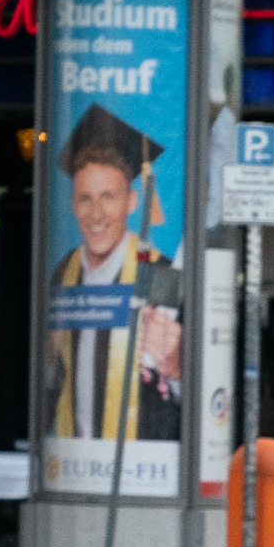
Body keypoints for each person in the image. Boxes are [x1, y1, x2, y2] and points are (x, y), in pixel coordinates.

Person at [46, 104, 182, 445]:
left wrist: (176, 367)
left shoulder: (159, 273)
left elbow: (174, 383)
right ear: (72, 205)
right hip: (73, 457)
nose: (96, 213)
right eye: (84, 198)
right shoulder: (62, 273)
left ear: (132, 201)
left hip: (141, 461)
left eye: (109, 196)